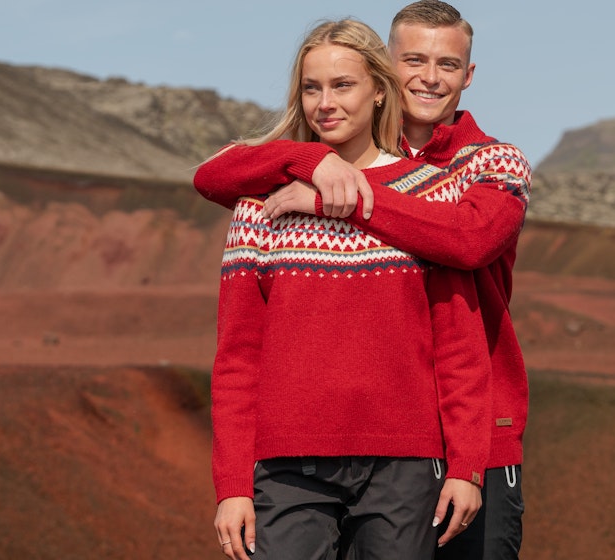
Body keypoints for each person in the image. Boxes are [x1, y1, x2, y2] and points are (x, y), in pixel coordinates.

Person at [195, 2, 531, 558]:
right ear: (387, 71)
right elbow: (213, 174)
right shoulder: (304, 173)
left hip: (474, 439)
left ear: (468, 76)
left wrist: (344, 200)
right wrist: (311, 163)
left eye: (448, 64)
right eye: (414, 60)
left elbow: (466, 241)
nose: (429, 76)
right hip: (332, 451)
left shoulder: (491, 162)